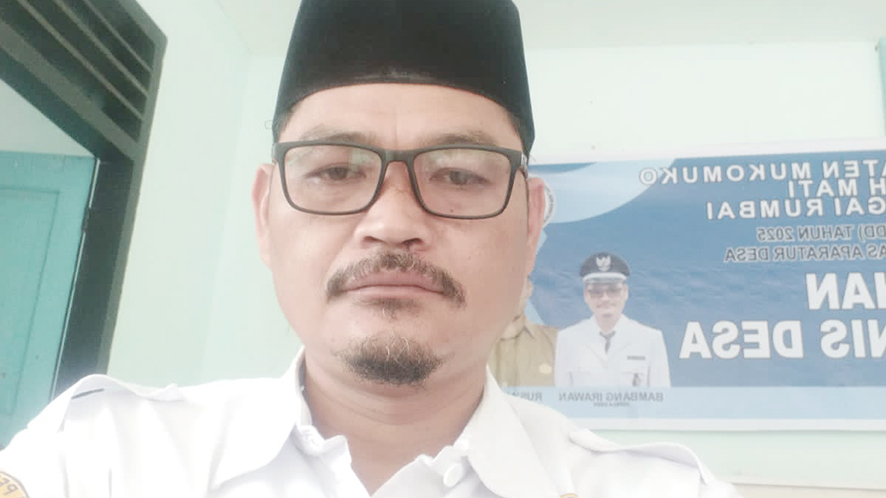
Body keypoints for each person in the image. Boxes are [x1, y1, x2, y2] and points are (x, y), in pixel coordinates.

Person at [0, 1, 739, 496]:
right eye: (334, 171)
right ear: (265, 214)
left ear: (530, 227)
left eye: (458, 174)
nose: (391, 222)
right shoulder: (100, 459)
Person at [555, 251, 672, 388]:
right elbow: (561, 397)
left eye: (613, 290)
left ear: (625, 292)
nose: (605, 298)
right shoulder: (568, 339)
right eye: (596, 291)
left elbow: (661, 397)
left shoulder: (650, 339)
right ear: (586, 295)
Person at [487, 278, 558, 387]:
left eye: (515, 285)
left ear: (529, 289)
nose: (509, 295)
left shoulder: (558, 342)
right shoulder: (463, 347)